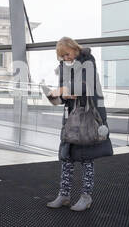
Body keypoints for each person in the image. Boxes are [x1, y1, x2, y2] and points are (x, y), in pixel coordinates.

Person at [42, 36, 112, 212]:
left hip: (89, 115)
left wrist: (65, 91)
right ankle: (64, 195)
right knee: (67, 157)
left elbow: (84, 86)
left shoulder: (88, 61)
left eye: (67, 54)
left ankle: (86, 197)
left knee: (87, 158)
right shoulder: (63, 67)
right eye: (62, 57)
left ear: (74, 48)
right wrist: (57, 94)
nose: (65, 58)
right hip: (71, 116)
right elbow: (66, 94)